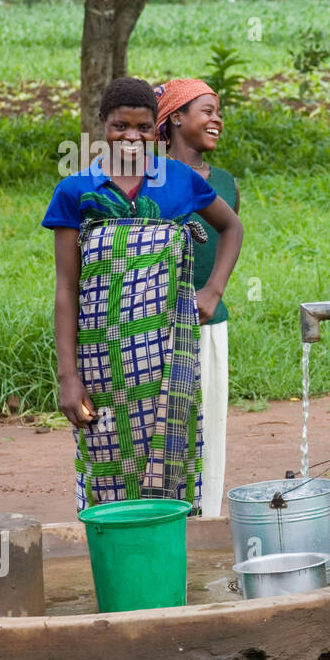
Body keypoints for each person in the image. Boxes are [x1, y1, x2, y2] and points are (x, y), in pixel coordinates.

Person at [44, 77, 244, 513]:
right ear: (101, 125)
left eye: (142, 127)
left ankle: (176, 554)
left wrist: (213, 290)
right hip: (101, 360)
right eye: (119, 126)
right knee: (105, 458)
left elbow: (231, 227)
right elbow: (66, 288)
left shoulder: (179, 181)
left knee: (174, 452)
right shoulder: (77, 191)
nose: (131, 137)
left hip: (168, 351)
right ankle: (116, 555)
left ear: (159, 128)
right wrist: (68, 375)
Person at [154, 79, 239, 517]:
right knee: (162, 429)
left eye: (218, 111)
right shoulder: (150, 177)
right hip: (154, 325)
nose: (216, 119)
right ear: (174, 120)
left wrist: (212, 292)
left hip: (208, 322)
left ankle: (204, 521)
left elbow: (229, 234)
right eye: (206, 111)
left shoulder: (223, 182)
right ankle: (163, 516)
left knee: (207, 427)